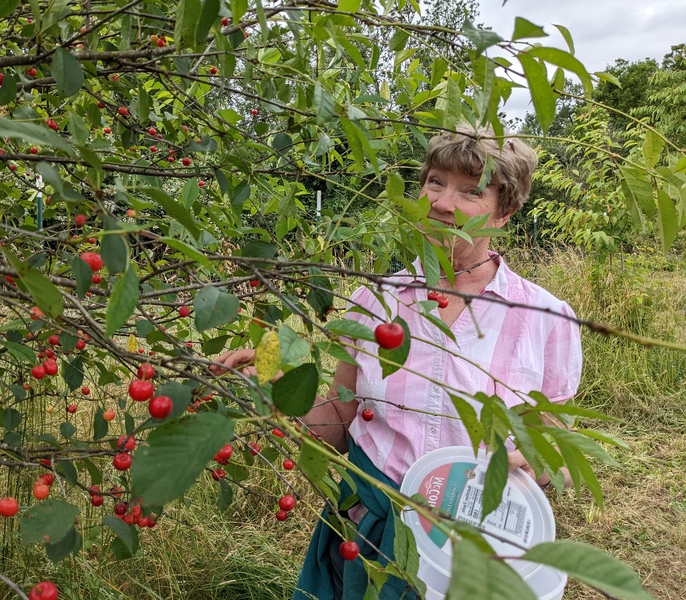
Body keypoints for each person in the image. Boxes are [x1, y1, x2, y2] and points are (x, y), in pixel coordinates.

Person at [210, 124, 583, 600]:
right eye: (435, 182)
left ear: (504, 211)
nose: (444, 203)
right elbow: (342, 425)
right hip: (369, 534)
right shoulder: (374, 303)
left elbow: (557, 451)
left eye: (472, 191)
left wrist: (535, 466)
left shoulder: (546, 319)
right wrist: (275, 386)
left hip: (474, 549)